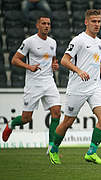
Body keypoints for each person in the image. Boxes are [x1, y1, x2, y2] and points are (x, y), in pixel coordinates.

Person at [48, 9, 101, 165]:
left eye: (99, 21)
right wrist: (79, 70)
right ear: (86, 22)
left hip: (95, 86)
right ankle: (54, 149)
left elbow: (96, 60)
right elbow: (64, 60)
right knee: (67, 122)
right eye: (94, 21)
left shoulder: (100, 43)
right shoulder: (78, 40)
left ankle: (91, 153)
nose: (97, 24)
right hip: (77, 88)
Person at [2, 15, 61, 154]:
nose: (46, 26)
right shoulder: (29, 42)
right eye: (43, 23)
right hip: (33, 84)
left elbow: (52, 58)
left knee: (57, 112)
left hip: (49, 81)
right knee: (26, 118)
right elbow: (15, 60)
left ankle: (52, 146)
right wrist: (30, 67)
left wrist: (54, 65)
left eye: (48, 24)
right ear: (37, 25)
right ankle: (10, 125)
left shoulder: (53, 42)